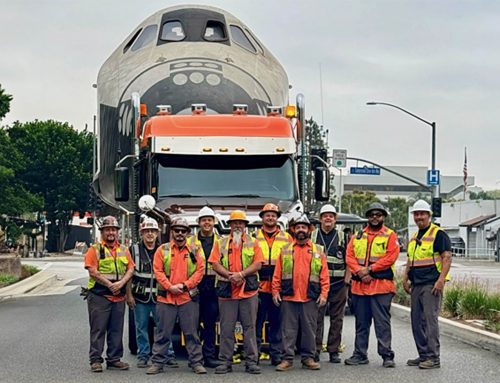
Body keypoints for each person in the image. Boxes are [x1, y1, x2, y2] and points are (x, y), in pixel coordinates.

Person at [147, 217, 207, 375]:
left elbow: (201, 270)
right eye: (177, 230)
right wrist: (170, 287)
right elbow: (158, 271)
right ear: (172, 232)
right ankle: (158, 363)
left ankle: (196, 363)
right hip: (166, 298)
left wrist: (185, 285)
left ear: (187, 233)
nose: (180, 233)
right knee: (162, 333)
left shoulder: (195, 250)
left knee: (191, 333)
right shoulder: (162, 250)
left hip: (187, 298)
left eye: (183, 231)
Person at [209, 210, 264, 375]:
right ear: (230, 225)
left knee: (250, 328)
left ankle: (251, 362)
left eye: (241, 223)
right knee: (226, 329)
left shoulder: (253, 242)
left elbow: (258, 264)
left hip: (248, 292)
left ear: (245, 225)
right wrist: (229, 276)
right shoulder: (221, 243)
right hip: (227, 293)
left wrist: (241, 274)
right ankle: (225, 362)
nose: (238, 225)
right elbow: (214, 263)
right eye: (235, 223)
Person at [272, 215, 329, 372]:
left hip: (310, 297)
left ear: (309, 230)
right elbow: (277, 273)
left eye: (304, 227)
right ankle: (287, 359)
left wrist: (324, 294)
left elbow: (324, 275)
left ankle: (308, 358)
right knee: (288, 330)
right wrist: (275, 291)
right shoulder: (285, 250)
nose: (301, 230)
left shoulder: (318, 250)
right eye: (298, 227)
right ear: (293, 230)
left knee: (309, 330)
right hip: (289, 297)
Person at [345, 203, 399, 368]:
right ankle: (360, 354)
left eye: (378, 214)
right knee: (361, 323)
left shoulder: (390, 235)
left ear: (383, 217)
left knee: (382, 323)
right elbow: (349, 256)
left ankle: (387, 356)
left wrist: (369, 270)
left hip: (381, 287)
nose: (375, 217)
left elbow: (390, 257)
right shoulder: (357, 236)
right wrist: (360, 271)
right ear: (367, 217)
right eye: (371, 214)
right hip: (360, 288)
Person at [403, 199, 452, 370]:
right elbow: (411, 259)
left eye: (422, 214)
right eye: (416, 214)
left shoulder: (439, 234)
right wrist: (405, 277)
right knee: (416, 321)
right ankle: (423, 354)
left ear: (429, 215)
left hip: (431, 284)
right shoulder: (415, 236)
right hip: (416, 284)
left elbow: (447, 257)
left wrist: (441, 280)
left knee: (430, 321)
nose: (419, 217)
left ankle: (433, 357)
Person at [84, 216, 135, 373]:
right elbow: (92, 271)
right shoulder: (94, 250)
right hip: (99, 296)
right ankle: (95, 360)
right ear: (102, 232)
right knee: (98, 329)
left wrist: (121, 285)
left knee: (116, 329)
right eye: (108, 230)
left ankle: (114, 359)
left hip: (119, 297)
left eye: (113, 229)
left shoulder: (124, 250)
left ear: (117, 232)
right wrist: (110, 284)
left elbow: (130, 269)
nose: (111, 232)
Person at [126, 217, 177, 368]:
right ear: (141, 233)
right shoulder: (134, 250)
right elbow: (128, 274)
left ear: (157, 233)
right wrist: (128, 295)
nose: (149, 234)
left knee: (164, 328)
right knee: (141, 328)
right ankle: (143, 356)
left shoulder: (165, 250)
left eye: (152, 231)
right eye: (146, 231)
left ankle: (168, 354)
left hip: (160, 297)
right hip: (140, 298)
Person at [312, 204, 351, 363]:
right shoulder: (312, 236)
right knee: (316, 318)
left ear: (335, 219)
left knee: (337, 318)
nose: (328, 218)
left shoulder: (343, 237)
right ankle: (315, 349)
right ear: (320, 219)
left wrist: (347, 280)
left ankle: (333, 350)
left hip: (338, 283)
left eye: (331, 216)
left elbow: (350, 259)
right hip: (318, 284)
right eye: (325, 216)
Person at [255, 203, 292, 366]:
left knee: (277, 323)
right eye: (267, 215)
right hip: (258, 287)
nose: (270, 217)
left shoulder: (287, 238)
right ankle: (253, 354)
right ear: (262, 217)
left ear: (277, 218)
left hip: (278, 288)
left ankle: (276, 354)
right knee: (256, 322)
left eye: (273, 215)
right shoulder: (253, 237)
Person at [187, 206, 223, 368]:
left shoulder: (222, 242)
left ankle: (209, 356)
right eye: (203, 220)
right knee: (192, 324)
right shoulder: (189, 243)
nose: (206, 223)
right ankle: (194, 358)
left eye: (209, 220)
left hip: (213, 287)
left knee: (210, 324)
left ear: (214, 222)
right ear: (199, 223)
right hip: (195, 286)